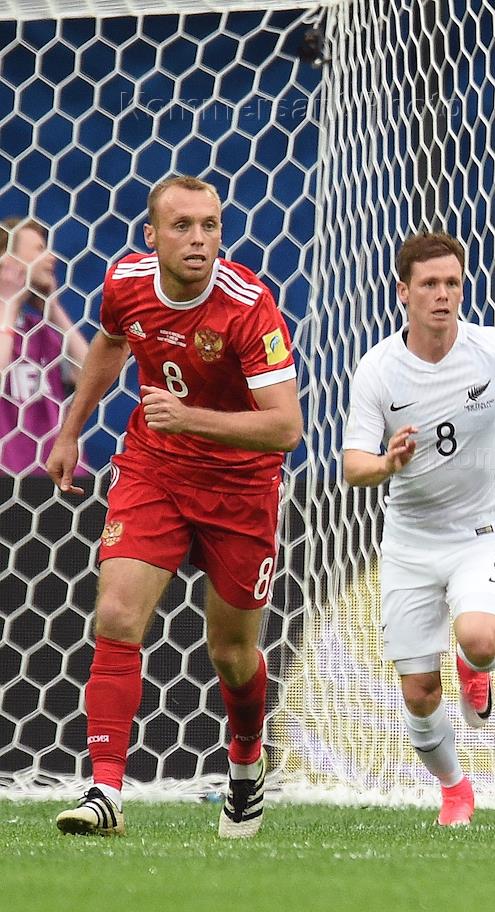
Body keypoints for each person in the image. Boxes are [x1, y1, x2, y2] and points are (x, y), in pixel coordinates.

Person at [47, 175, 302, 839]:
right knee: (116, 613)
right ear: (152, 236)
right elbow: (111, 343)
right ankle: (105, 790)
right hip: (155, 468)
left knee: (232, 653)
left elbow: (286, 428)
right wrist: (71, 429)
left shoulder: (248, 305)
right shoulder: (125, 282)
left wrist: (188, 417)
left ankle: (245, 760)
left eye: (210, 225)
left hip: (240, 486)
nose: (198, 240)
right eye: (182, 225)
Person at [342, 232, 495, 827]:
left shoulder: (492, 350)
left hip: (478, 532)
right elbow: (353, 466)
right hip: (409, 543)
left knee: (480, 639)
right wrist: (388, 463)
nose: (442, 295)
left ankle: (474, 667)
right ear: (403, 292)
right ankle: (456, 789)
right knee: (419, 693)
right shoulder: (379, 370)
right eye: (429, 284)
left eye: (452, 283)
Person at [1, 217, 88, 473]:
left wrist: (53, 308)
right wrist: (7, 302)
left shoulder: (39, 329)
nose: (52, 258)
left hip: (58, 474)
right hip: (8, 475)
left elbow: (89, 377)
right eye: (40, 249)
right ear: (7, 260)